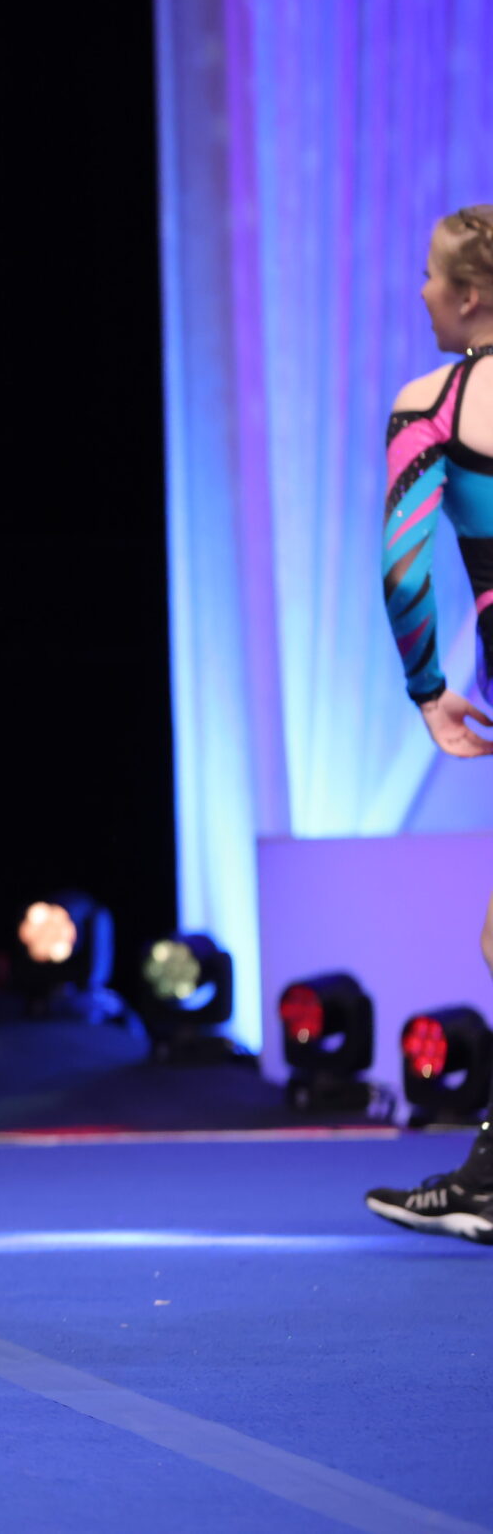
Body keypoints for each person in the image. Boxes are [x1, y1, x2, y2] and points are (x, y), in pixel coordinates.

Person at [369, 205, 493, 1245]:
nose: (418, 292)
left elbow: (403, 566)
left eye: (427, 275)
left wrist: (427, 686)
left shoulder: (433, 404)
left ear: (470, 297)